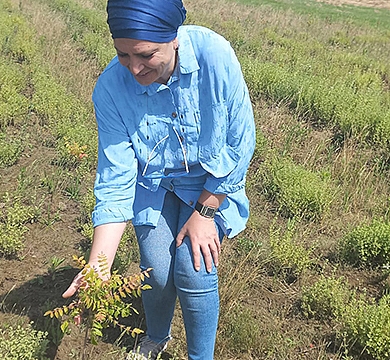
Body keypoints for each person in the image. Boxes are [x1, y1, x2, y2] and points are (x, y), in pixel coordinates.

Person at [62, 1, 255, 359]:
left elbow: (238, 141)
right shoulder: (111, 90)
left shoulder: (214, 56)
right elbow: (117, 176)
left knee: (194, 269)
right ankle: (156, 337)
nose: (134, 68)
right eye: (123, 55)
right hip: (154, 186)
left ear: (174, 38)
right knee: (157, 271)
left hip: (211, 184)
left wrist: (206, 212)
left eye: (146, 55)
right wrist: (98, 264)